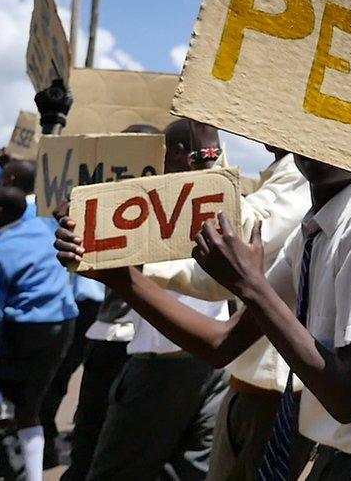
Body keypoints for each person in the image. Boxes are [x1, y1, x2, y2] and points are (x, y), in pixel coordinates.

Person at [55, 155, 351, 480]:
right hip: (347, 452)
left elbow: (347, 396)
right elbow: (222, 343)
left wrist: (251, 285)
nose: (319, 144)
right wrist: (122, 279)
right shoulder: (315, 230)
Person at [141, 145, 313, 480]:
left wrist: (130, 270)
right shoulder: (291, 176)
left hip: (271, 399)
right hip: (253, 390)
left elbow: (233, 252)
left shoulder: (302, 173)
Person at [83, 120, 230, 480]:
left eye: (217, 154)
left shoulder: (219, 198)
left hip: (207, 366)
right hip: (162, 362)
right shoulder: (139, 209)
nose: (212, 161)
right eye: (205, 153)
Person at [62, 123, 161, 481]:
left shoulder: (159, 212)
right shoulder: (108, 210)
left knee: (98, 440)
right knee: (98, 439)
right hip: (118, 339)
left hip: (129, 343)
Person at [0, 185, 77, 481]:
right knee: (31, 407)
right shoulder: (44, 226)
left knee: (15, 406)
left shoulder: (2, 247)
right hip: (63, 325)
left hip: (24, 330)